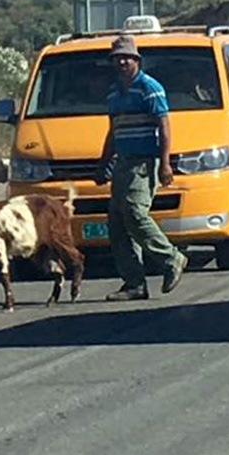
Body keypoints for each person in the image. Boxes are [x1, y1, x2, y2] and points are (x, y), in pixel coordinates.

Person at [95, 33, 188, 301]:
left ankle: (171, 258)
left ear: (137, 59)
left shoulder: (150, 87)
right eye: (118, 58)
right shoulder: (114, 93)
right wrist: (104, 164)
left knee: (135, 212)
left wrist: (165, 163)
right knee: (117, 222)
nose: (123, 62)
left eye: (127, 57)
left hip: (144, 162)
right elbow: (113, 131)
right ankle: (134, 283)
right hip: (123, 162)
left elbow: (165, 126)